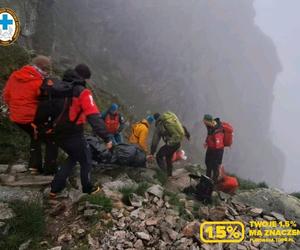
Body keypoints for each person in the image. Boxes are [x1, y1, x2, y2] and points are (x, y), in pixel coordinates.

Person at [49, 64, 112, 197]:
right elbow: (93, 116)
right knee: (86, 159)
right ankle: (88, 188)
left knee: (73, 156)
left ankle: (55, 189)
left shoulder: (59, 86)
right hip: (73, 133)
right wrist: (107, 137)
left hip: (55, 131)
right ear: (84, 77)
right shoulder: (82, 92)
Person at [3, 55, 58, 174]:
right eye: (47, 69)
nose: (48, 72)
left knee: (35, 136)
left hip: (16, 116)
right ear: (42, 67)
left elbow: (6, 94)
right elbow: (45, 102)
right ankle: (46, 168)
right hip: (31, 117)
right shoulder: (38, 82)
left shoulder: (15, 75)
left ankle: (34, 166)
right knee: (50, 138)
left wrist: (13, 108)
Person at [149, 112, 190, 176]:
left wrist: (152, 153)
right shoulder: (169, 120)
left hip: (171, 143)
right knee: (168, 158)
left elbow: (155, 141)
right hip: (177, 143)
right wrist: (188, 135)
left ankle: (164, 173)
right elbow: (182, 126)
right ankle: (169, 175)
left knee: (159, 156)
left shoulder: (159, 125)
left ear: (155, 119)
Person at [203, 114, 224, 183]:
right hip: (210, 149)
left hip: (217, 152)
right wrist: (206, 142)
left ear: (208, 121)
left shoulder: (218, 131)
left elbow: (220, 146)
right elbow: (209, 134)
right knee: (207, 164)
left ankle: (214, 184)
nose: (203, 122)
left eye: (205, 121)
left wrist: (219, 162)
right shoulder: (209, 126)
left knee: (215, 168)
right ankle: (207, 181)